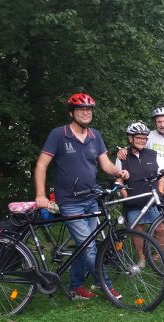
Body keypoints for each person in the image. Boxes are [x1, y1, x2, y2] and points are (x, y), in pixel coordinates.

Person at [34, 92, 128, 300]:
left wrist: (117, 172)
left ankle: (76, 286)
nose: (86, 113)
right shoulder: (59, 135)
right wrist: (41, 195)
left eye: (89, 110)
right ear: (72, 113)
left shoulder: (95, 136)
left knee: (85, 245)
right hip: (70, 202)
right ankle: (106, 286)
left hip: (91, 199)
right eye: (81, 109)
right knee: (89, 246)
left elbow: (105, 164)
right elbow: (41, 165)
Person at [115, 122, 164, 266]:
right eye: (138, 138)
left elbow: (161, 175)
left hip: (152, 199)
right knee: (138, 232)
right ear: (131, 138)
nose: (142, 140)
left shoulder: (152, 154)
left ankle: (158, 256)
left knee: (161, 229)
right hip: (133, 199)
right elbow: (118, 179)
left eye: (144, 138)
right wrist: (125, 195)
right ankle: (141, 258)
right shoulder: (122, 157)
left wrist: (160, 191)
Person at [118, 106, 164, 211]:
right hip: (154, 185)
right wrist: (123, 150)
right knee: (159, 217)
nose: (162, 124)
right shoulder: (149, 136)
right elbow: (137, 147)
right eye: (159, 122)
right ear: (155, 123)